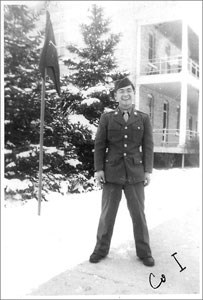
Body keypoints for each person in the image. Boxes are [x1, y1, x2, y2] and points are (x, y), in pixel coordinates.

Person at [89, 77, 155, 267]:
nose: (126, 94)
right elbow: (100, 144)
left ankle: (144, 252)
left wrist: (148, 171)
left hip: (135, 173)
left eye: (129, 91)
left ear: (133, 94)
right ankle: (100, 250)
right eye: (121, 91)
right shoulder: (107, 118)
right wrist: (99, 169)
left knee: (138, 215)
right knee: (107, 215)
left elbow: (148, 146)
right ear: (116, 96)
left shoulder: (143, 118)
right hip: (112, 173)